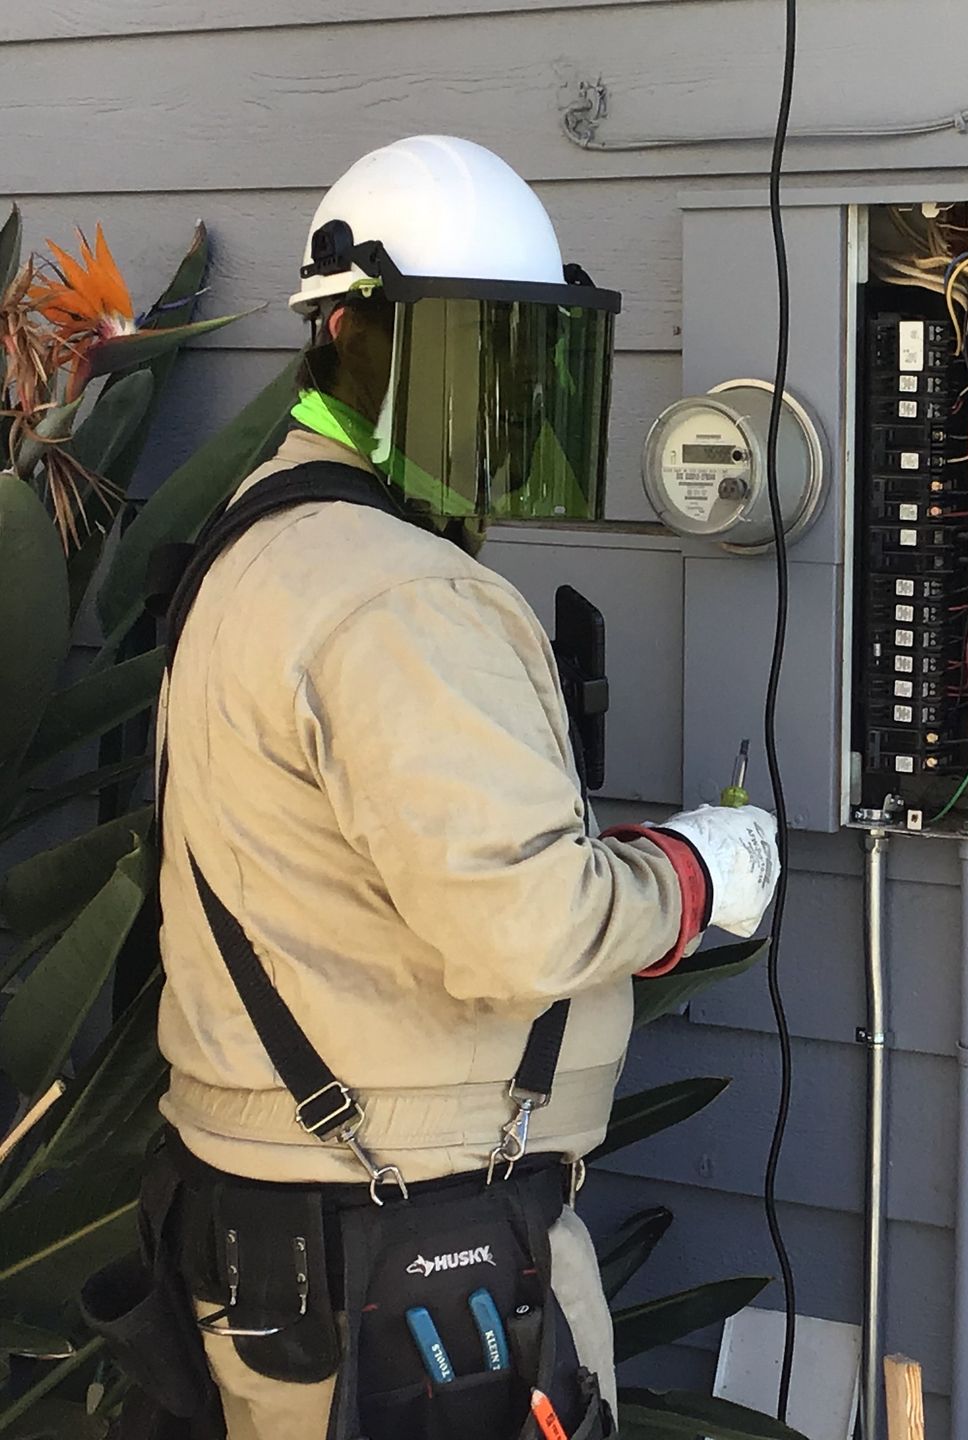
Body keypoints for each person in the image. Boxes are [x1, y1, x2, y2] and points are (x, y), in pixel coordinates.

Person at [147, 135, 779, 1440]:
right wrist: (697, 877)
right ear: (375, 345)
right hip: (404, 1247)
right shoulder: (401, 592)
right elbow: (525, 927)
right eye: (484, 360)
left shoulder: (262, 540)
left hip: (289, 1232)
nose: (504, 408)